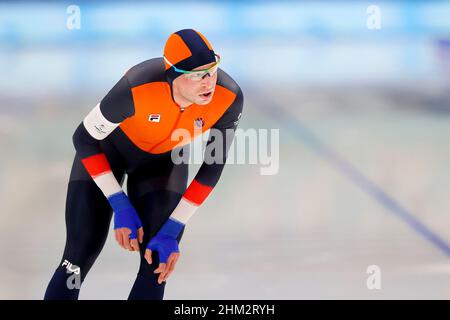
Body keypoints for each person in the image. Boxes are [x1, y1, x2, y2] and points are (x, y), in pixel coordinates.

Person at [44, 29, 243, 300]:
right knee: (77, 257)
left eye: (212, 70)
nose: (208, 82)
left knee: (157, 262)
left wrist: (173, 228)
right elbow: (84, 138)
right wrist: (119, 203)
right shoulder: (137, 87)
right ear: (174, 75)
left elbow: (211, 169)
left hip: (163, 163)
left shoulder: (228, 97)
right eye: (197, 75)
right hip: (108, 152)